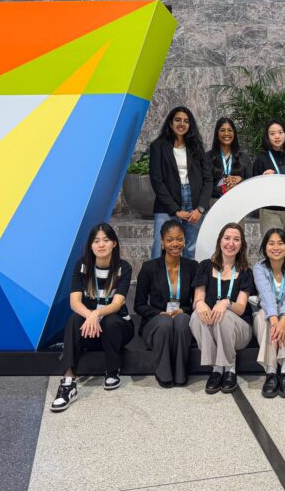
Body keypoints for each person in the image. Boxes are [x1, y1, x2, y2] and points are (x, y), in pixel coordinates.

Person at [52, 223, 134, 412]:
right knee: (74, 319)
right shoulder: (82, 266)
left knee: (111, 319)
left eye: (106, 240)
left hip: (118, 329)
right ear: (90, 245)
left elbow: (117, 304)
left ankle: (112, 371)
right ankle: (68, 382)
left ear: (114, 243)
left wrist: (96, 313)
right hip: (91, 330)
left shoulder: (123, 267)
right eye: (96, 241)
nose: (101, 245)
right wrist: (90, 316)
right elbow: (74, 302)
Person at [190, 222, 256, 394]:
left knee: (225, 315)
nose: (231, 243)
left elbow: (241, 308)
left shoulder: (246, 272)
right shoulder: (205, 266)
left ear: (241, 245)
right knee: (196, 315)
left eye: (236, 239)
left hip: (239, 330)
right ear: (220, 241)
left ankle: (229, 368)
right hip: (211, 325)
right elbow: (198, 297)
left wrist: (226, 302)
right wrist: (200, 303)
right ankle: (216, 368)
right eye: (227, 238)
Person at [134, 220, 198, 388]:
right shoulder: (149, 268)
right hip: (156, 322)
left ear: (185, 241)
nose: (175, 244)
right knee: (165, 322)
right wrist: (157, 314)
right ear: (162, 242)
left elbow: (196, 301)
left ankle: (180, 372)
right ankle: (163, 373)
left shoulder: (192, 267)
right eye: (169, 239)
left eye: (179, 239)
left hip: (180, 320)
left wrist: (182, 310)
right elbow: (139, 305)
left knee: (182, 320)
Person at [149, 106, 212, 259]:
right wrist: (175, 210)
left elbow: (208, 179)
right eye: (178, 120)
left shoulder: (196, 146)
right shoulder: (158, 146)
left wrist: (201, 208)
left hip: (194, 203)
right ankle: (159, 283)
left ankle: (189, 283)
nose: (181, 124)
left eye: (186, 121)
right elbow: (157, 180)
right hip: (167, 203)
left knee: (192, 248)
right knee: (161, 248)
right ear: (171, 123)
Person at [252, 229, 285, 398]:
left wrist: (283, 319)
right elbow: (266, 294)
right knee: (264, 317)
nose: (276, 247)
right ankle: (270, 372)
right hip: (268, 316)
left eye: (280, 243)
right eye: (271, 243)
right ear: (265, 247)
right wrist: (276, 320)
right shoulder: (259, 267)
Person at [252, 119, 285, 241]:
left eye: (280, 132)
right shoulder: (261, 158)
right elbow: (253, 188)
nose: (277, 136)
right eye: (272, 133)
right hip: (269, 211)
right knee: (272, 247)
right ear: (267, 137)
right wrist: (263, 179)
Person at [206, 117, 250, 205]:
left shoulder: (243, 157)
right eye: (222, 130)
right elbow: (204, 186)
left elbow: (251, 183)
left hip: (239, 204)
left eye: (230, 130)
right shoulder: (208, 157)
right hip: (214, 204)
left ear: (234, 133)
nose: (226, 133)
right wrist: (223, 188)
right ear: (217, 134)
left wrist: (240, 179)